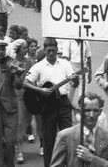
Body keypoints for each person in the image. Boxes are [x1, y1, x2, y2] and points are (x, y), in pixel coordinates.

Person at [23, 38, 77, 167]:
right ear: (45, 51)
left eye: (53, 50)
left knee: (69, 136)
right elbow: (25, 83)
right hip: (47, 105)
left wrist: (76, 80)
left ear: (57, 50)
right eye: (48, 51)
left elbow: (75, 82)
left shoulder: (65, 64)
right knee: (49, 139)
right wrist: (40, 91)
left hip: (63, 102)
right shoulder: (38, 66)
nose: (51, 53)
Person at [50, 93, 108, 167]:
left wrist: (92, 159)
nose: (91, 115)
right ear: (79, 111)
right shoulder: (65, 136)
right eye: (87, 110)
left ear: (100, 112)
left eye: (95, 111)